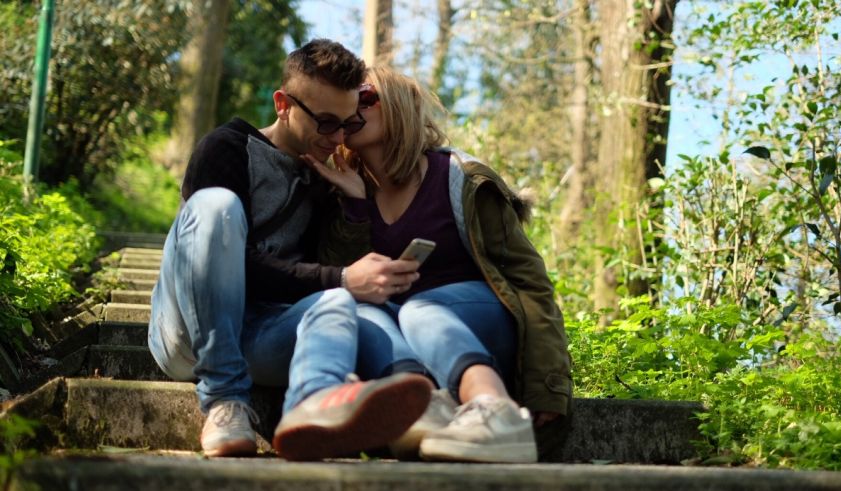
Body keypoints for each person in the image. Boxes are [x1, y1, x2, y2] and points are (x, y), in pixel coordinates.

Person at [147, 40, 433, 461]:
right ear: (283, 104)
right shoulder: (225, 147)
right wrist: (339, 277)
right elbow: (224, 257)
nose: (337, 138)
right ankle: (225, 400)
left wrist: (354, 205)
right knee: (216, 206)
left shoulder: (323, 179)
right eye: (324, 122)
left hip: (263, 336)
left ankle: (311, 408)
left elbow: (321, 281)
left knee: (336, 300)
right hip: (188, 333)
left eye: (346, 124)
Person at [306, 66, 574, 463]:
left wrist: (548, 384)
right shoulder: (344, 191)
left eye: (365, 97)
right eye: (346, 103)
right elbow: (336, 281)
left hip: (481, 330)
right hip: (407, 348)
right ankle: (417, 403)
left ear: (400, 104)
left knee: (419, 308)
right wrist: (356, 209)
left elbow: (529, 281)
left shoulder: (461, 179)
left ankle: (493, 408)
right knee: (359, 309)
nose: (352, 110)